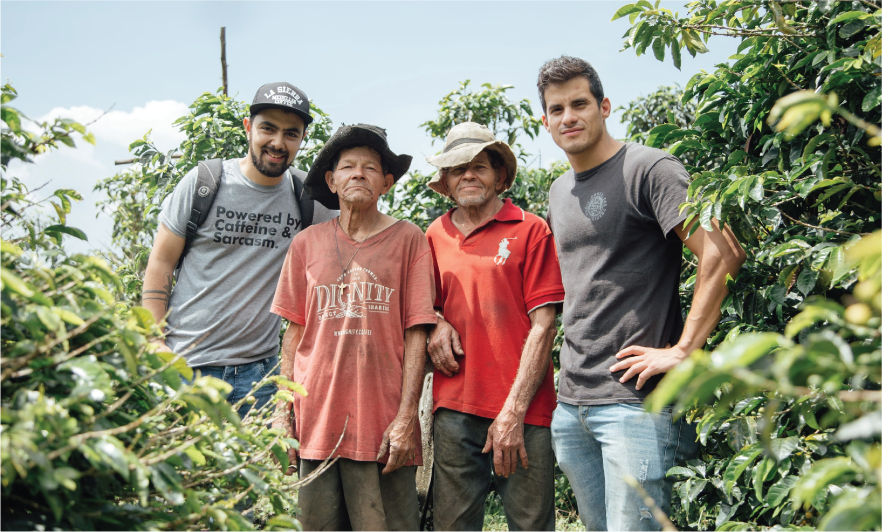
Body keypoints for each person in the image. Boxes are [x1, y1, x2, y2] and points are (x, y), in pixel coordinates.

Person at [537, 56, 747, 530]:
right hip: (572, 406)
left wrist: (683, 350)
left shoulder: (649, 168)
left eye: (579, 103)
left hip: (636, 404)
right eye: (556, 109)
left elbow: (723, 253)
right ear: (545, 121)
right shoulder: (557, 190)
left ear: (605, 105)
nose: (568, 116)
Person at [270, 124, 437, 530]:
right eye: (347, 166)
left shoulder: (409, 239)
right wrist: (281, 414)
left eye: (370, 168)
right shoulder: (306, 244)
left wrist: (405, 420)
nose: (358, 174)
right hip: (316, 425)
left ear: (387, 182)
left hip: (381, 428)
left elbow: (417, 332)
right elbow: (293, 336)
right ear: (332, 180)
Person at [141, 82, 335, 417]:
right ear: (248, 128)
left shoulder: (306, 198)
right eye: (268, 129)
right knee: (186, 468)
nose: (277, 143)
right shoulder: (205, 182)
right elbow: (160, 262)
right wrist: (154, 341)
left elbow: (354, 241)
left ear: (302, 139)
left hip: (258, 376)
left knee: (253, 470)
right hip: (185, 366)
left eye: (291, 134)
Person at [423, 122, 564, 531]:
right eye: (458, 168)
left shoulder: (530, 229)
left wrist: (513, 411)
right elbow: (419, 309)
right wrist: (436, 322)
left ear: (499, 177)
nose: (469, 175)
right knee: (453, 525)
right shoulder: (434, 234)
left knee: (530, 524)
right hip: (455, 409)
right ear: (446, 182)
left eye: (480, 166)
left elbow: (545, 325)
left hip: (526, 410)